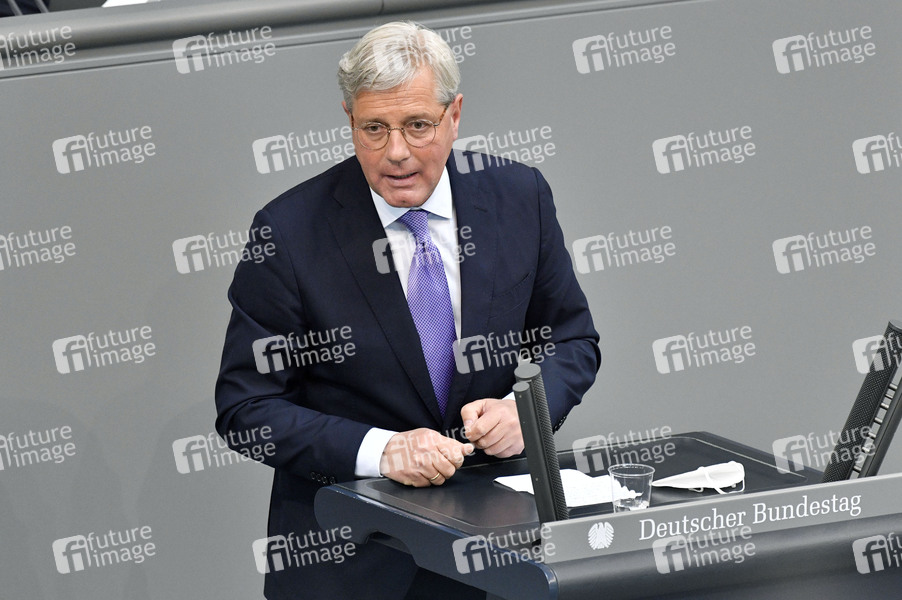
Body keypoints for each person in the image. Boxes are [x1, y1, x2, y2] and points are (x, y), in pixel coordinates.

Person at [215, 20, 600, 600]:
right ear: (349, 119)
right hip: (350, 567)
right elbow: (246, 409)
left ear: (454, 115)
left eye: (418, 125)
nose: (396, 153)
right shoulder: (289, 232)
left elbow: (570, 340)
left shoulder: (520, 198)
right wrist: (382, 450)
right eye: (374, 128)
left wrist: (525, 412)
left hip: (497, 557)